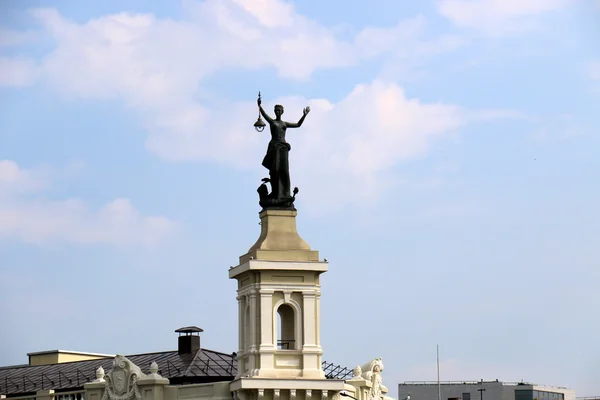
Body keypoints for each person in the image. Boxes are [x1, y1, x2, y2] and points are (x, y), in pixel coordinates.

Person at [257, 94, 310, 203]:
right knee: (275, 170)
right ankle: (276, 192)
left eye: (279, 110)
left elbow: (298, 124)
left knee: (284, 171)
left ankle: (285, 194)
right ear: (275, 112)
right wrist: (259, 106)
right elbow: (264, 115)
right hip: (274, 147)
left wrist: (304, 115)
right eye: (276, 110)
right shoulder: (272, 122)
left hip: (283, 148)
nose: (278, 112)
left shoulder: (284, 124)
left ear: (282, 112)